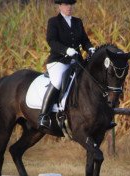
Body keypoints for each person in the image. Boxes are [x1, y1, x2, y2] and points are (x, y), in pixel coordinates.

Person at [37, 0, 95, 130]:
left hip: (77, 61)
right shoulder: (53, 22)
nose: (69, 7)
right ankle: (44, 116)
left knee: (91, 79)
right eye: (66, 4)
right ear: (60, 6)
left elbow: (85, 40)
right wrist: (66, 50)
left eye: (70, 4)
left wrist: (90, 48)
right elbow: (51, 41)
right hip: (59, 60)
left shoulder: (77, 22)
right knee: (57, 81)